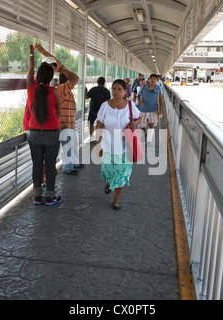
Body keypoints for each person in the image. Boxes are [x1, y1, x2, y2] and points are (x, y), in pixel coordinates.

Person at [34, 44, 84, 175]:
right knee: (68, 145)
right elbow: (74, 77)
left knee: (71, 144)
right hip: (63, 125)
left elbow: (58, 64)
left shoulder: (58, 89)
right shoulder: (62, 88)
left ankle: (73, 163)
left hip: (67, 124)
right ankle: (68, 166)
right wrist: (42, 51)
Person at [24, 45, 62, 206]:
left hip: (34, 134)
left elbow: (30, 72)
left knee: (37, 165)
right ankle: (50, 196)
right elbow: (58, 112)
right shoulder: (54, 91)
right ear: (50, 77)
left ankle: (37, 196)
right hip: (52, 133)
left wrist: (31, 55)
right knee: (50, 165)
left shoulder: (31, 89)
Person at [95, 79, 141, 210]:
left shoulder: (130, 105)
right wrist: (98, 145)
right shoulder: (105, 106)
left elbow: (139, 118)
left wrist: (135, 124)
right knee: (108, 171)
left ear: (125, 91)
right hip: (108, 145)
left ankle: (116, 200)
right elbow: (99, 125)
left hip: (125, 146)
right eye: (114, 89)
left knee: (122, 174)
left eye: (119, 89)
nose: (116, 92)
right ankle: (109, 183)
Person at [137, 74, 163, 143]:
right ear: (149, 80)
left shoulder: (158, 88)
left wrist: (160, 109)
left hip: (153, 110)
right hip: (143, 109)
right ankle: (143, 135)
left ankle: (149, 140)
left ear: (157, 81)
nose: (153, 80)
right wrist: (139, 100)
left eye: (155, 79)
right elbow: (138, 95)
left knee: (151, 125)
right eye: (152, 79)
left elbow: (160, 99)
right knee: (142, 126)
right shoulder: (143, 87)